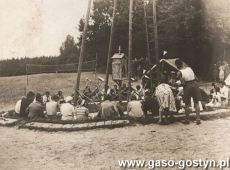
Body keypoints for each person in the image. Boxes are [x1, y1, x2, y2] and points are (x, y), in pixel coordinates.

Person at [175, 58, 202, 125]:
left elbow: (183, 83)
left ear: (177, 65)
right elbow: (196, 78)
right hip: (195, 84)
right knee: (196, 102)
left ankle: (187, 119)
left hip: (188, 85)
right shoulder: (189, 68)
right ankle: (198, 119)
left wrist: (178, 84)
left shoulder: (179, 72)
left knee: (187, 104)